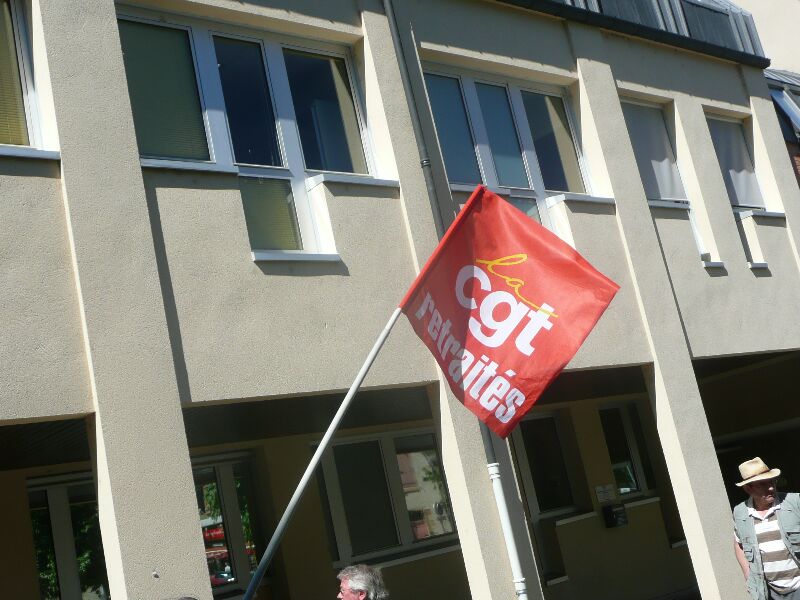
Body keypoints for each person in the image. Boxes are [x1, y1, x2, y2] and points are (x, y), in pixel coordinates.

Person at [733, 457, 800, 600]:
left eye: (772, 481)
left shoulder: (794, 502)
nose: (771, 487)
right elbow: (739, 544)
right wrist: (747, 573)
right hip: (768, 592)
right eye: (763, 484)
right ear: (748, 488)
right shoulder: (740, 512)